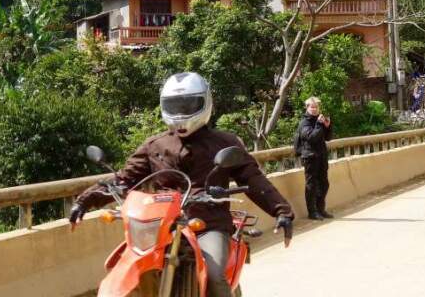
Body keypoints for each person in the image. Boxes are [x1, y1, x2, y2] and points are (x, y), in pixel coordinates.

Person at [68, 72, 294, 297]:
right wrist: (84, 200)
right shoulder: (155, 145)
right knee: (126, 264)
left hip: (209, 223)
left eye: (188, 105)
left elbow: (253, 179)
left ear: (205, 102)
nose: (181, 112)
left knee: (215, 275)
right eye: (175, 105)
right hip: (161, 226)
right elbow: (123, 180)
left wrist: (281, 211)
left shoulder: (224, 143)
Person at [295, 96, 333, 220]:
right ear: (307, 108)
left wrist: (327, 126)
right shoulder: (304, 123)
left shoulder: (319, 121)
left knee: (324, 184)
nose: (315, 109)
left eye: (316, 107)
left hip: (321, 156)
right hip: (310, 157)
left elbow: (327, 138)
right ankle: (312, 212)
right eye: (312, 107)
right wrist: (318, 124)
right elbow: (311, 137)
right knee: (311, 185)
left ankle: (321, 209)